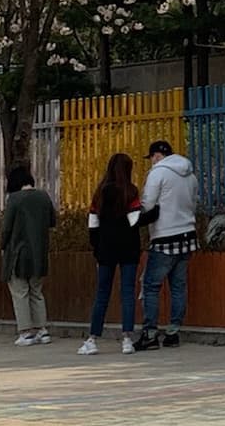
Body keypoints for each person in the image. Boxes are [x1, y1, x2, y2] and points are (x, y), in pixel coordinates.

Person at [135, 140, 198, 350]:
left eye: (151, 158)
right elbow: (193, 203)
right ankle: (173, 332)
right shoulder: (191, 175)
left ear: (156, 156)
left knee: (151, 286)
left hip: (164, 236)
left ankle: (150, 334)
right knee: (178, 286)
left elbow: (148, 204)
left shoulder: (157, 173)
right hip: (187, 234)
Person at [82, 152, 143, 355]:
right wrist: (153, 213)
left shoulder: (100, 193)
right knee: (127, 293)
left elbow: (92, 224)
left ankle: (92, 339)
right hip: (129, 248)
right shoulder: (131, 191)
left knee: (102, 294)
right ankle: (127, 339)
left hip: (106, 249)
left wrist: (97, 248)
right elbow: (135, 221)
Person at [0, 165, 56, 346]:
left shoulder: (14, 199)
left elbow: (6, 228)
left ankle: (25, 332)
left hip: (18, 253)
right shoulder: (44, 196)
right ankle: (42, 330)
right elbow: (52, 221)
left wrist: (2, 245)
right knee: (37, 292)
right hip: (39, 253)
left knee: (20, 292)